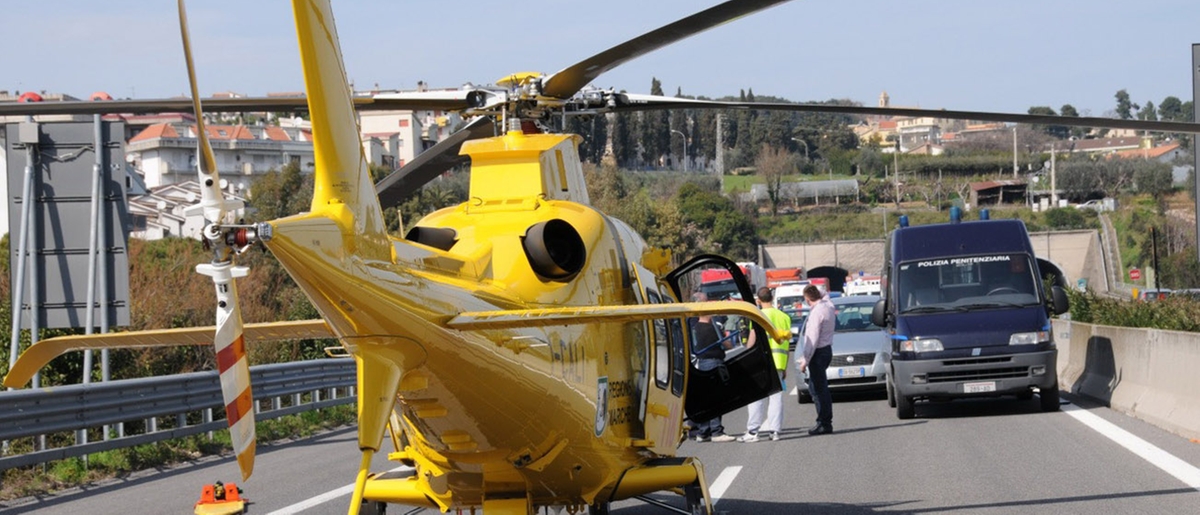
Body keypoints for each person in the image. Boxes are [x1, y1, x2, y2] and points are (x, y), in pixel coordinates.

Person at [737, 287, 792, 442]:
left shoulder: (757, 316)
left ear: (758, 301)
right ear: (772, 298)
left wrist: (747, 360)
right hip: (779, 362)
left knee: (756, 397)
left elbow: (752, 340)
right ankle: (775, 432)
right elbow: (786, 344)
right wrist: (785, 365)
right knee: (776, 398)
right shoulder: (784, 317)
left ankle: (753, 432)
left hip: (761, 362)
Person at [688, 291, 736, 443]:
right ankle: (717, 431)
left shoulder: (693, 327)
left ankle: (703, 432)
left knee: (705, 398)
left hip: (701, 363)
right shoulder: (711, 328)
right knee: (716, 398)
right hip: (714, 362)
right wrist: (727, 341)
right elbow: (726, 344)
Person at [796, 284, 835, 435]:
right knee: (816, 387)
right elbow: (826, 294)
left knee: (818, 390)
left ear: (807, 299)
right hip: (826, 351)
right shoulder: (828, 306)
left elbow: (811, 339)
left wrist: (805, 360)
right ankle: (824, 420)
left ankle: (824, 422)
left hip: (817, 353)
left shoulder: (816, 313)